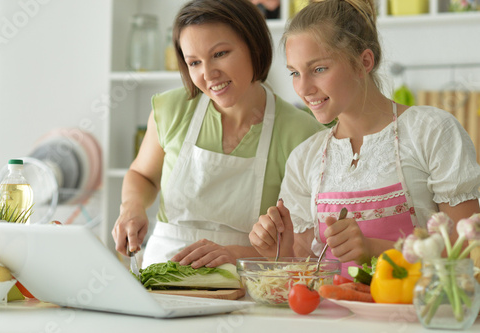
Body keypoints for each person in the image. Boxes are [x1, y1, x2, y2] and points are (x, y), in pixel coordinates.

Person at [249, 0, 480, 277]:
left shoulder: (432, 132)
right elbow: (308, 270)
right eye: (295, 73)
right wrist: (280, 251)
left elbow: (468, 251)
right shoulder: (304, 157)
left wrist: (375, 249)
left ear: (364, 62)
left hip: (417, 313)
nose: (304, 88)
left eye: (319, 69)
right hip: (333, 316)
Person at [112, 0, 325, 269]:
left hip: (247, 286)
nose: (208, 74)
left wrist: (236, 254)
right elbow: (142, 175)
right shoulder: (171, 109)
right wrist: (132, 206)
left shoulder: (300, 132)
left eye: (220, 53)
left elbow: (303, 249)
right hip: (161, 278)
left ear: (254, 46)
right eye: (194, 62)